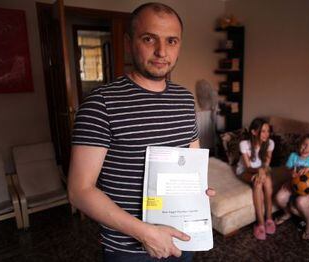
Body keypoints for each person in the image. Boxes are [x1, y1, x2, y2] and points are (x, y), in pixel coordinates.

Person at [68, 3, 214, 261]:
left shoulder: (184, 98)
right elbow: (80, 190)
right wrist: (146, 234)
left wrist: (199, 189)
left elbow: (192, 162)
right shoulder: (101, 103)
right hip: (129, 250)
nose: (161, 51)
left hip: (183, 238)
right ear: (128, 43)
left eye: (171, 41)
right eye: (149, 39)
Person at [274, 134, 309, 240]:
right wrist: (291, 174)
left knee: (300, 202)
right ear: (299, 144)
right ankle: (287, 213)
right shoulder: (293, 156)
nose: (306, 148)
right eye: (304, 145)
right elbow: (287, 169)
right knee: (279, 197)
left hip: (308, 188)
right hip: (293, 184)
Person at [235, 118, 276, 240]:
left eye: (268, 131)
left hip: (262, 170)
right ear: (253, 132)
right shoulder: (244, 145)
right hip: (245, 171)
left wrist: (262, 171)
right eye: (263, 131)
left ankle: (269, 218)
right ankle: (260, 223)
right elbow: (247, 167)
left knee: (267, 181)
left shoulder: (270, 143)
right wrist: (259, 171)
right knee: (258, 183)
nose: (266, 134)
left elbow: (267, 165)